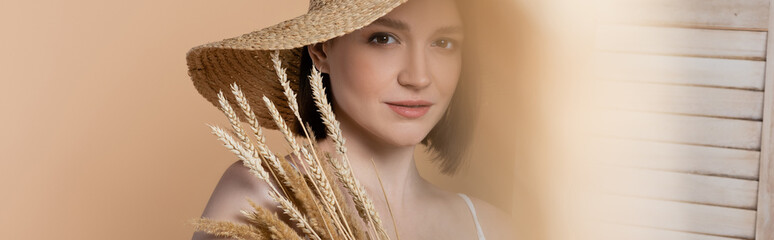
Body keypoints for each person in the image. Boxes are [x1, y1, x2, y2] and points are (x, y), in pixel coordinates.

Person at [187, 0, 517, 239]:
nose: (418, 77)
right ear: (321, 50)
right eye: (384, 38)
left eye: (443, 43)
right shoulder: (263, 196)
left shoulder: (491, 227)